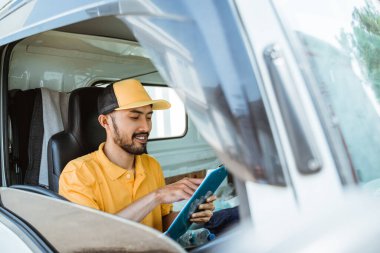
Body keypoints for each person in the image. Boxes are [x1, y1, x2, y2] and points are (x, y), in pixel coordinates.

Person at [59, 79, 215, 232]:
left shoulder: (151, 165)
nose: (146, 127)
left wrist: (191, 215)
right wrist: (156, 196)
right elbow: (94, 239)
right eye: (134, 117)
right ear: (105, 122)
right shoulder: (77, 174)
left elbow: (161, 222)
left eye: (148, 117)